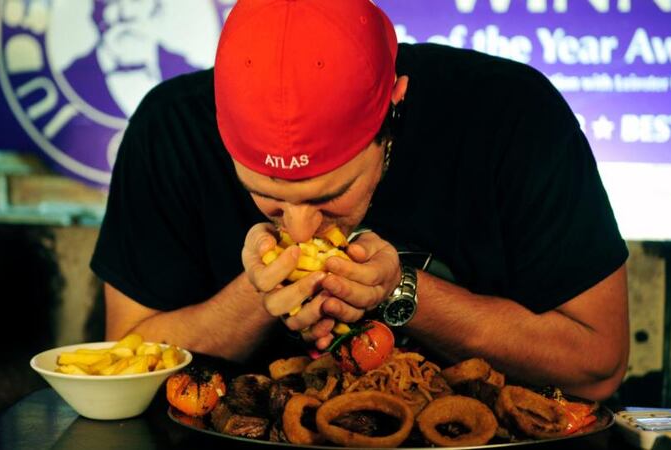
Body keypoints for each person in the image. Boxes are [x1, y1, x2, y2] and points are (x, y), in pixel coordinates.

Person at [91, 0, 629, 401]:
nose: (300, 230)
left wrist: (402, 290)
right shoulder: (170, 128)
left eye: (331, 195)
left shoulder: (512, 116)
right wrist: (264, 289)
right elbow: (126, 352)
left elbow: (598, 365)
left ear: (395, 107)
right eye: (267, 198)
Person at [62, 0, 196, 118]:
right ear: (96, 14)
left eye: (137, 1)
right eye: (112, 2)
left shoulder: (196, 80)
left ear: (158, 11)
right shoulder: (71, 80)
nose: (126, 13)